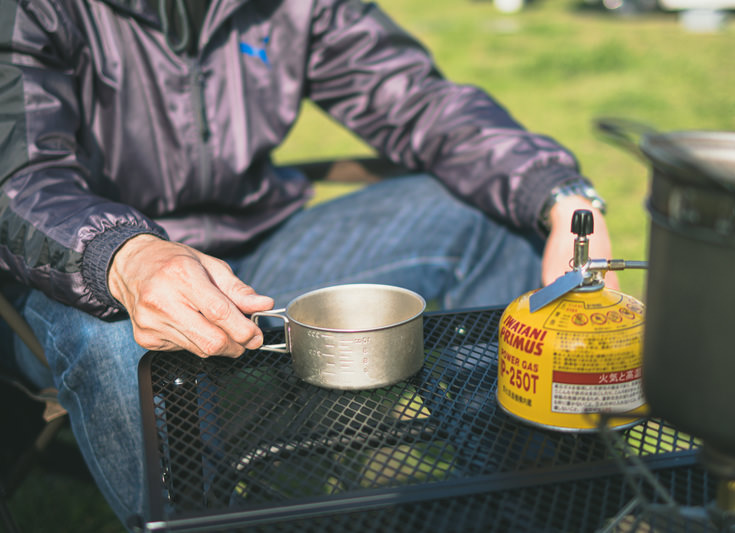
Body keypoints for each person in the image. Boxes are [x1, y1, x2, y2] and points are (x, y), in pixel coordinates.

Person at [0, 0, 617, 527]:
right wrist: (126, 257)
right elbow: (21, 178)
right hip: (85, 274)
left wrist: (564, 198)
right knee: (129, 338)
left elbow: (418, 102)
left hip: (261, 248)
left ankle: (520, 504)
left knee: (498, 218)